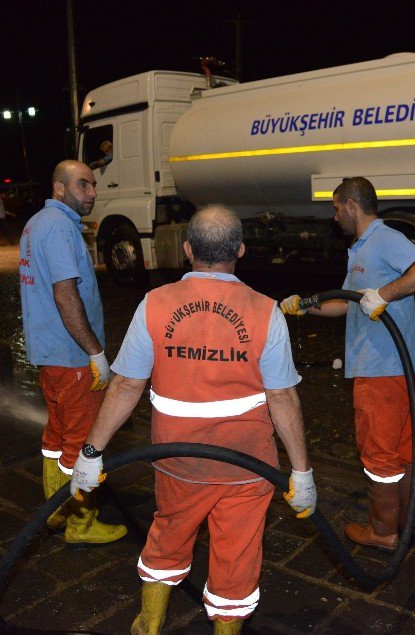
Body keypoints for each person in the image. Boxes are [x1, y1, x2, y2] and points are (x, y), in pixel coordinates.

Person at [71, 205, 316, 634]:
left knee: (168, 534)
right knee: (237, 556)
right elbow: (282, 397)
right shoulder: (265, 312)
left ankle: (149, 624)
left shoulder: (155, 304)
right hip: (247, 467)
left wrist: (91, 453)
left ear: (187, 250)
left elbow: (126, 386)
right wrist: (302, 472)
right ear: (239, 250)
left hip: (177, 460)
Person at [281, 176, 415, 551]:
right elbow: (348, 301)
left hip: (383, 368)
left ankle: (383, 532)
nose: (335, 217)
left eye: (337, 209)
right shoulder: (363, 249)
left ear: (352, 205)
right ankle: (402, 524)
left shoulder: (383, 239)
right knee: (401, 451)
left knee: (378, 454)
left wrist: (384, 294)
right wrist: (304, 306)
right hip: (404, 366)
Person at [19, 160, 127, 547]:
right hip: (72, 356)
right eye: (84, 185)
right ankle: (80, 523)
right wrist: (95, 352)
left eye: (94, 185)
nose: (93, 192)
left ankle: (54, 511)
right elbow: (66, 296)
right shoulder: (61, 228)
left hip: (49, 354)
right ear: (59, 188)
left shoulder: (35, 224)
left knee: (56, 436)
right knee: (82, 441)